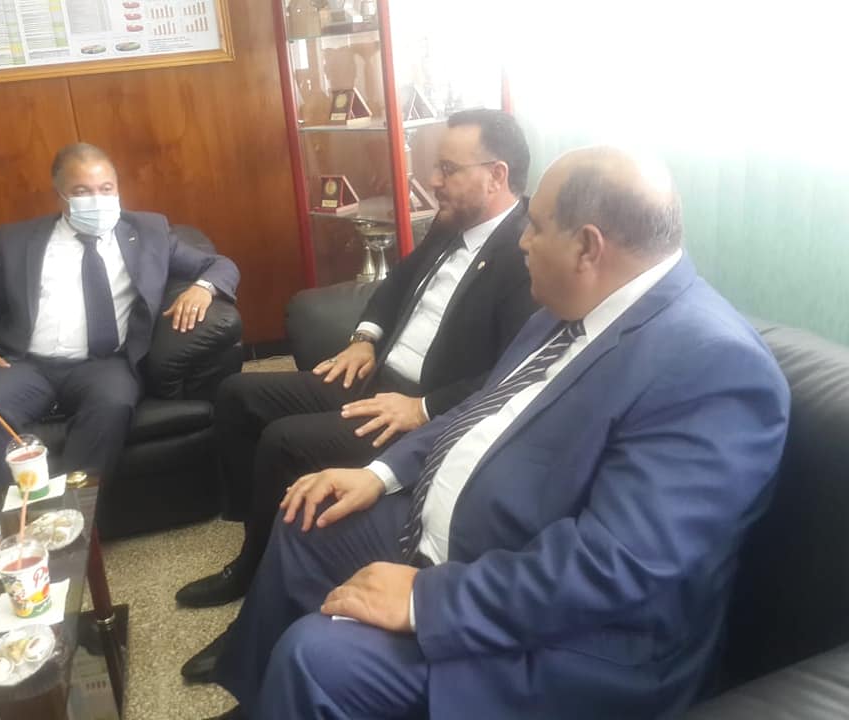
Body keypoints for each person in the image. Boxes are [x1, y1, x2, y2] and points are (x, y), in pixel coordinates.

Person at [199, 146, 791, 720]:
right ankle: (264, 701)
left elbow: (617, 567)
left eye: (535, 226)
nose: (522, 241)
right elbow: (476, 413)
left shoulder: (713, 367)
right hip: (469, 539)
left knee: (316, 658)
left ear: (588, 247)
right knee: (309, 516)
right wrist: (379, 474)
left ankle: (295, 691)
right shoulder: (564, 311)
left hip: (569, 639)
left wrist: (425, 601)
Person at [176, 109, 537, 630]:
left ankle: (254, 576)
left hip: (417, 408)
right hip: (377, 376)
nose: (434, 181)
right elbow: (394, 286)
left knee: (283, 441)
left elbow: (514, 372)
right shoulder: (450, 222)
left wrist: (424, 407)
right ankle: (253, 530)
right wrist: (365, 339)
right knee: (237, 394)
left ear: (496, 175)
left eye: (448, 169)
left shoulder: (525, 253)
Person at [0, 142, 239, 490]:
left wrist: (203, 288)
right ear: (60, 196)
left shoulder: (149, 233)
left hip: (104, 364)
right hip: (25, 364)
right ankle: (9, 514)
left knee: (113, 404)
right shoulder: (18, 241)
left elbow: (220, 265)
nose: (97, 200)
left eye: (106, 188)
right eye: (82, 192)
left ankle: (78, 511)